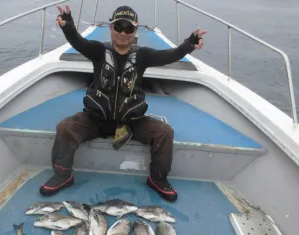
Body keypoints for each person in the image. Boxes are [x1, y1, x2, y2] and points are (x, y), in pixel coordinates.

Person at [39, 5, 207, 202]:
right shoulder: (98, 51)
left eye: (129, 28)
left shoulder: (143, 56)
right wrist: (67, 26)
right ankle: (63, 175)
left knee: (164, 132)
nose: (123, 33)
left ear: (135, 31)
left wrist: (190, 43)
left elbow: (170, 55)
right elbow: (78, 42)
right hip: (95, 118)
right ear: (111, 28)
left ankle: (158, 179)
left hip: (131, 122)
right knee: (65, 128)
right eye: (118, 26)